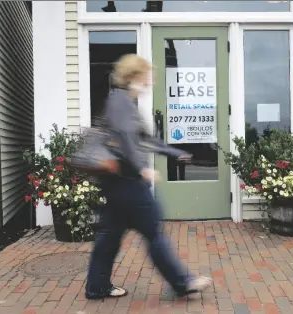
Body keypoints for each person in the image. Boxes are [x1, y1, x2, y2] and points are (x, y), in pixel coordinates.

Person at [85, 54, 213, 299]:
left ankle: (97, 286)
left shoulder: (125, 101)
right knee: (153, 229)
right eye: (148, 73)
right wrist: (141, 168)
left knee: (109, 237)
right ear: (134, 76)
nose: (151, 78)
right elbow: (125, 138)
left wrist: (174, 152)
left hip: (116, 184)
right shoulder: (121, 101)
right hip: (128, 181)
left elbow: (145, 139)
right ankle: (183, 282)